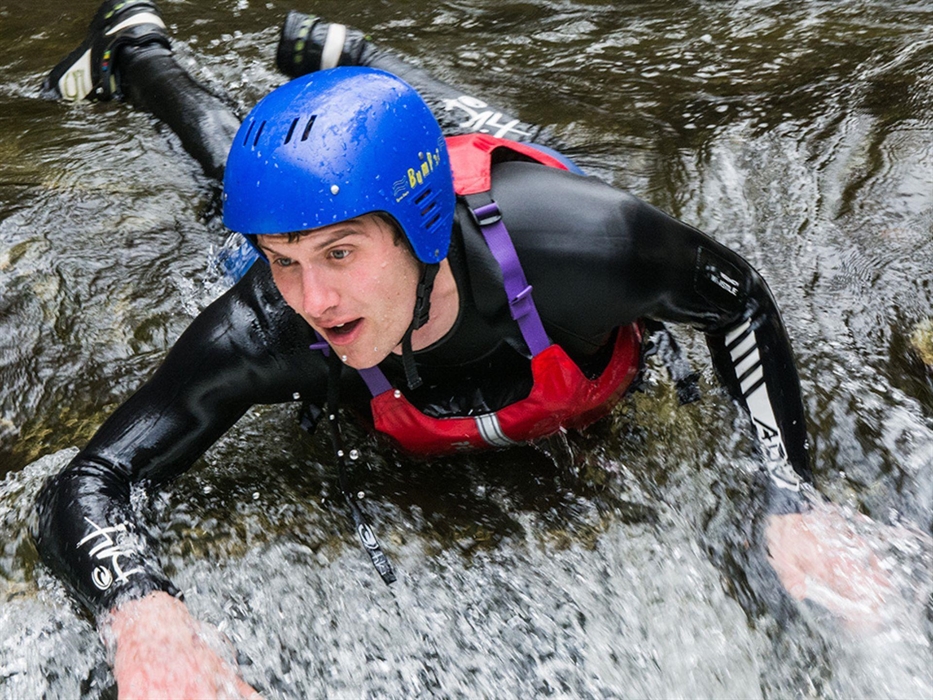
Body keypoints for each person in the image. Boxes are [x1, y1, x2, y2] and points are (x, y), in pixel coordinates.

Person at [33, 1, 888, 697]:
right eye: (285, 262)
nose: (315, 302)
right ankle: (137, 49)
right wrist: (142, 612)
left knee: (515, 141)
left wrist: (792, 496)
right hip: (403, 211)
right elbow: (90, 480)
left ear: (421, 231)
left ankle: (365, 61)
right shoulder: (273, 321)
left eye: (339, 254)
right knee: (234, 180)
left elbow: (735, 303)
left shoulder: (581, 247)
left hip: (512, 197)